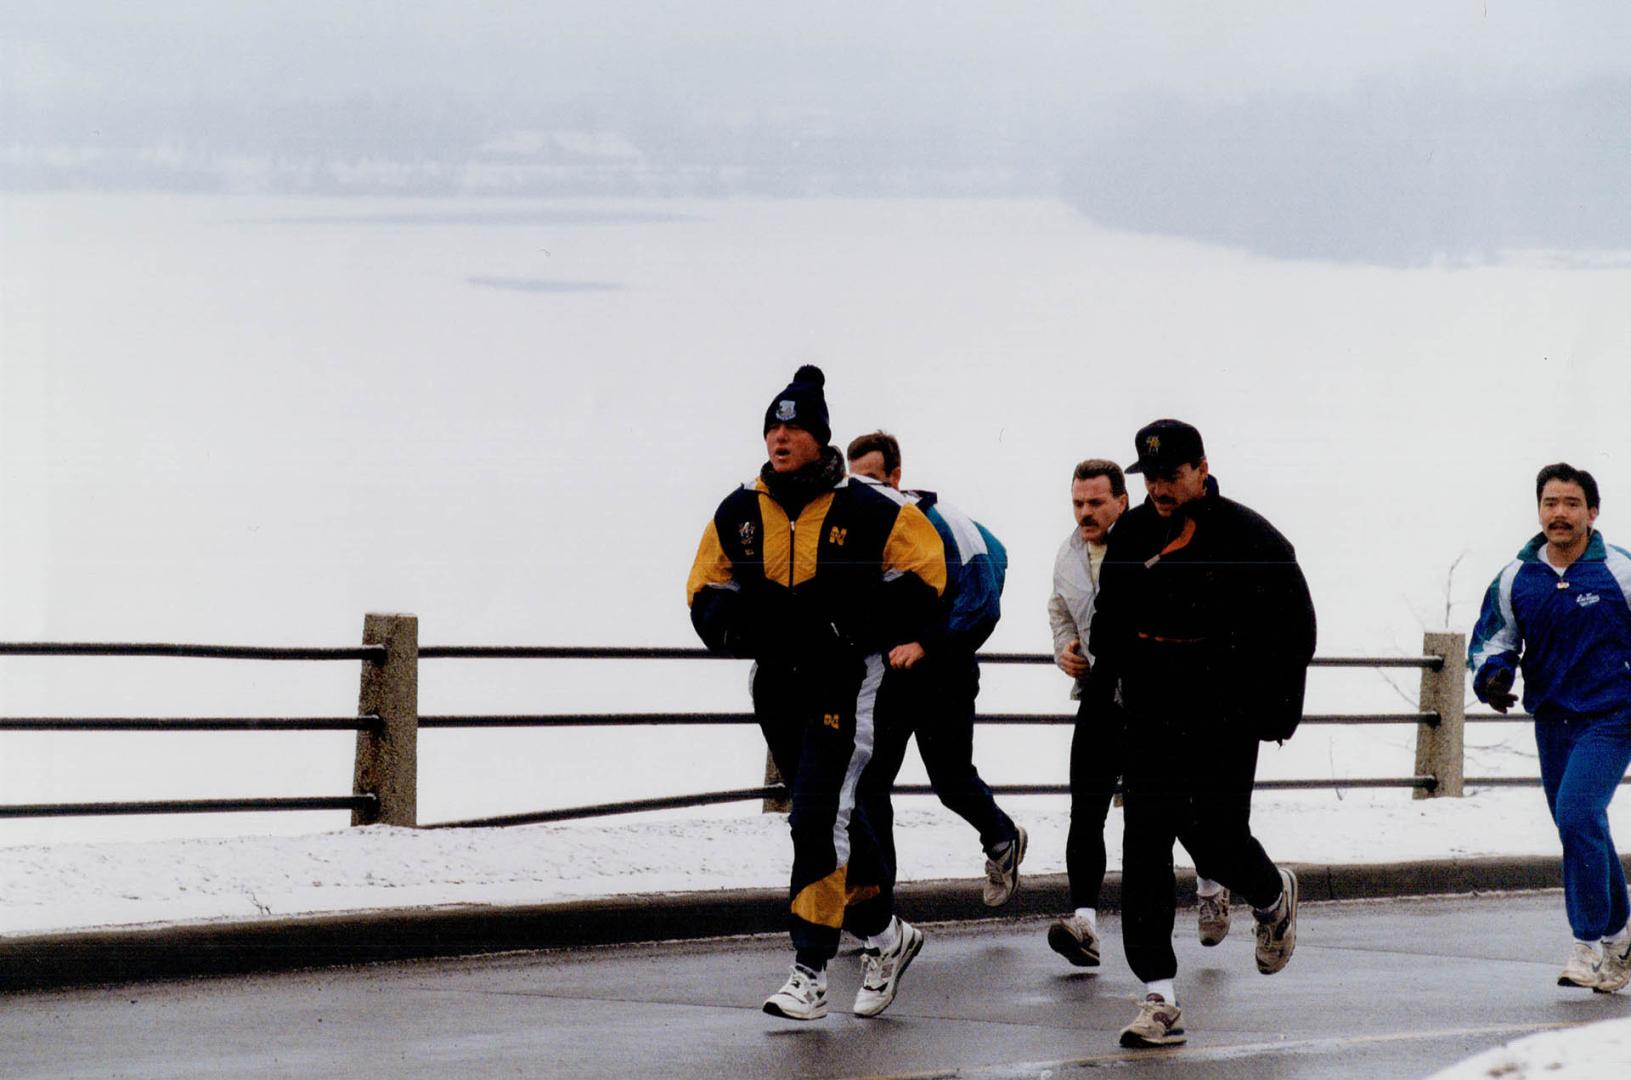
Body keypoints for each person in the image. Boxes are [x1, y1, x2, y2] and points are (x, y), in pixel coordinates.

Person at [686, 366, 948, 1022]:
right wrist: (735, 629)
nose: (780, 436)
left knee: (814, 816)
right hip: (776, 682)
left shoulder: (870, 505)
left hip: (846, 678)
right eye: (773, 426)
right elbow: (705, 586)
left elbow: (924, 572)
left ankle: (809, 970)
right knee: (829, 813)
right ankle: (888, 936)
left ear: (819, 437)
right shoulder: (739, 509)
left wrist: (855, 625)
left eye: (794, 427)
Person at [1085, 419, 1315, 1048]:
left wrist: (1275, 712)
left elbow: (1296, 632)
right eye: (1151, 476)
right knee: (1146, 842)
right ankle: (1159, 994)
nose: (1160, 486)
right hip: (1152, 712)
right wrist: (1108, 686)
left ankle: (1271, 894)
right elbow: (1110, 617)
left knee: (1216, 841)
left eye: (1172, 474)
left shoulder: (1252, 537)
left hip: (1224, 709)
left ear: (1201, 468)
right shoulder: (1131, 532)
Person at [1044, 459, 1232, 969]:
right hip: (1099, 692)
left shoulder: (1148, 540)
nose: (1085, 513)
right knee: (1086, 806)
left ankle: (1213, 882)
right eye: (1078, 503)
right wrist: (1065, 648)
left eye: (1096, 503)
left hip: (1154, 697)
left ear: (1121, 501)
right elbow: (1059, 609)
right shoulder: (1067, 554)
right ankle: (1083, 920)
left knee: (1169, 811)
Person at [845, 431, 1026, 911]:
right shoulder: (865, 524)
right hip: (891, 677)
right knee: (870, 782)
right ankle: (877, 902)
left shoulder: (945, 519)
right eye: (856, 481)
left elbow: (986, 596)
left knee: (949, 780)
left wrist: (928, 642)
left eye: (875, 480)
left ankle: (1003, 837)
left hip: (945, 673)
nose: (866, 491)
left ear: (897, 476)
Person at [1468, 462, 1631, 994]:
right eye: (1550, 503)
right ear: (1540, 510)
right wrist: (1493, 675)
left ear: (1593, 512)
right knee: (1581, 825)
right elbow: (1494, 638)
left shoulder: (1620, 572)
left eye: (1571, 504)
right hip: (1553, 719)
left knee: (1578, 813)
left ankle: (1586, 944)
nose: (1559, 514)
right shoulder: (1518, 577)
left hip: (1613, 715)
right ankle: (1622, 937)